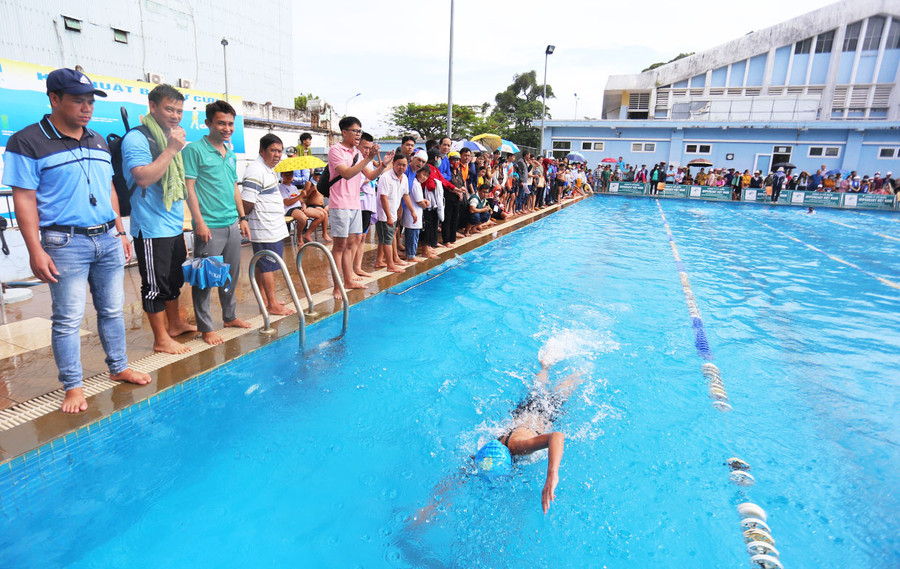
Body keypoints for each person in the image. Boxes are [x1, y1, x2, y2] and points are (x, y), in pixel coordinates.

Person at [4, 68, 151, 413]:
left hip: (108, 239)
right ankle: (72, 386)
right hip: (64, 242)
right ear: (54, 99)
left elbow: (109, 188)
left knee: (113, 310)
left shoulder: (97, 139)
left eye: (89, 101)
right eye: (77, 101)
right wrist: (35, 249)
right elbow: (24, 199)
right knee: (68, 319)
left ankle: (118, 367)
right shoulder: (26, 141)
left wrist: (119, 227)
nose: (86, 108)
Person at [414, 357, 582, 521]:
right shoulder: (483, 455)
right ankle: (545, 367)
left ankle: (580, 370)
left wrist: (552, 475)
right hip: (521, 414)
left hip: (542, 415)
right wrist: (430, 507)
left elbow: (557, 436)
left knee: (559, 393)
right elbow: (455, 479)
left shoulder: (519, 447)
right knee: (536, 391)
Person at [122, 83, 196, 355]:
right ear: (152, 107)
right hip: (151, 228)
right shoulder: (138, 138)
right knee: (154, 286)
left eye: (179, 111)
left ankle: (175, 324)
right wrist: (172, 149)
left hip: (173, 225)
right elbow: (142, 177)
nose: (175, 115)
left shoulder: (168, 138)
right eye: (169, 109)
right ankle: (161, 338)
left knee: (174, 279)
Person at [183, 100, 252, 345]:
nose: (227, 128)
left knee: (230, 275)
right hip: (208, 226)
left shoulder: (230, 154)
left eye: (231, 124)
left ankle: (230, 316)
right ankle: (205, 327)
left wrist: (242, 217)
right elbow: (189, 188)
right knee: (205, 277)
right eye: (221, 123)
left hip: (231, 223)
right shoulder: (194, 150)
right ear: (208, 123)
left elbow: (234, 187)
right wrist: (198, 222)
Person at [327, 116, 392, 299]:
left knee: (352, 244)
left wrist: (383, 165)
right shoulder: (336, 150)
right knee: (339, 246)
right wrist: (367, 158)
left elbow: (370, 175)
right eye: (355, 131)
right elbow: (346, 174)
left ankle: (348, 280)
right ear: (344, 132)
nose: (358, 134)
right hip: (340, 204)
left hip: (356, 204)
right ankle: (337, 286)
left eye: (360, 131)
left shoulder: (358, 153)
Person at [241, 134, 294, 316]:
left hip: (271, 226)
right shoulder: (256, 170)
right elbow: (247, 202)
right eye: (273, 150)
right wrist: (243, 220)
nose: (277, 154)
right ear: (261, 151)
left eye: (280, 151)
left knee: (262, 264)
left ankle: (264, 298)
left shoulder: (267, 169)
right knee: (268, 265)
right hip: (265, 228)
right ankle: (271, 304)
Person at [375, 153, 411, 273]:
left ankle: (380, 261)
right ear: (393, 164)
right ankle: (390, 265)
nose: (401, 167)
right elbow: (383, 198)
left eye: (404, 165)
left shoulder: (404, 178)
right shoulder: (385, 177)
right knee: (387, 240)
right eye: (399, 164)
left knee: (385, 238)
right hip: (384, 215)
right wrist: (389, 217)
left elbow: (405, 195)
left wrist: (412, 211)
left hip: (393, 213)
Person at [402, 165, 431, 262]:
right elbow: (419, 201)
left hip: (413, 214)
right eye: (423, 174)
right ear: (418, 172)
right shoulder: (415, 184)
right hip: (413, 214)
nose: (424, 177)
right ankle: (411, 255)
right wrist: (425, 204)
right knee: (412, 236)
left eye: (427, 176)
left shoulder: (416, 183)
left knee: (411, 235)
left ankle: (409, 254)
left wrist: (424, 201)